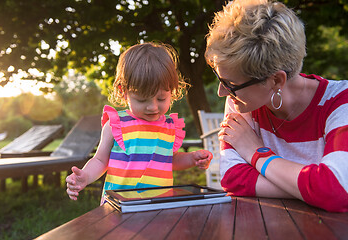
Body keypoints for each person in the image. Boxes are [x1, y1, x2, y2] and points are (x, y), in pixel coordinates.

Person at [205, 0, 348, 212]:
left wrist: (256, 153)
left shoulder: (340, 101)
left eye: (230, 84)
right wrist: (310, 187)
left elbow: (335, 190)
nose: (222, 92)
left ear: (276, 81)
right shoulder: (242, 102)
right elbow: (232, 178)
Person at [66, 42, 213, 204]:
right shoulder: (116, 124)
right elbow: (100, 160)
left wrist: (192, 158)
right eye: (142, 100)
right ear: (124, 92)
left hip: (158, 205)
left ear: (172, 90)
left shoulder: (170, 127)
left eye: (161, 98)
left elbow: (170, 160)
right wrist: (86, 176)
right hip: (119, 206)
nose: (153, 107)